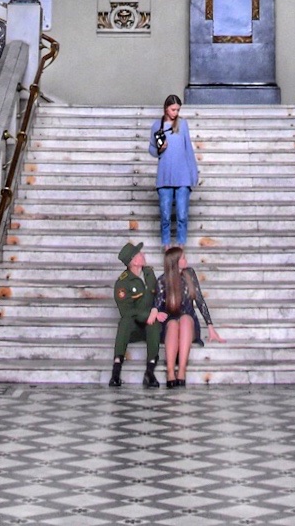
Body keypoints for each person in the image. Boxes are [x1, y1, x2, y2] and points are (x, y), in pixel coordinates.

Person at [161, 244, 221, 387]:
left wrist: (210, 327)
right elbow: (157, 306)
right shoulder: (162, 280)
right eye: (183, 258)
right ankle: (170, 371)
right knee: (173, 324)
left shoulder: (190, 274)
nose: (186, 260)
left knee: (185, 319)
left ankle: (182, 370)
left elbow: (199, 300)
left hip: (188, 321)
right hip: (170, 322)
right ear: (175, 262)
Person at [110, 241, 164, 388]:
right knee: (125, 322)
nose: (143, 255)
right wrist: (148, 315)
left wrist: (155, 311)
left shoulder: (149, 273)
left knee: (153, 324)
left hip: (149, 324)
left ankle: (150, 371)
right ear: (133, 262)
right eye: (139, 254)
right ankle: (116, 371)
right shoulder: (122, 283)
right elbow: (126, 311)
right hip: (133, 327)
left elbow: (158, 294)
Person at [150, 94, 199, 248]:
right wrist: (160, 149)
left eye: (178, 110)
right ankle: (166, 247)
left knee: (182, 215)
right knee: (165, 215)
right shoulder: (157, 126)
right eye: (173, 109)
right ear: (166, 108)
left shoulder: (183, 125)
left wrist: (194, 173)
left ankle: (180, 247)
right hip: (165, 176)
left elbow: (188, 149)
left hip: (183, 176)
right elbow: (151, 150)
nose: (175, 113)